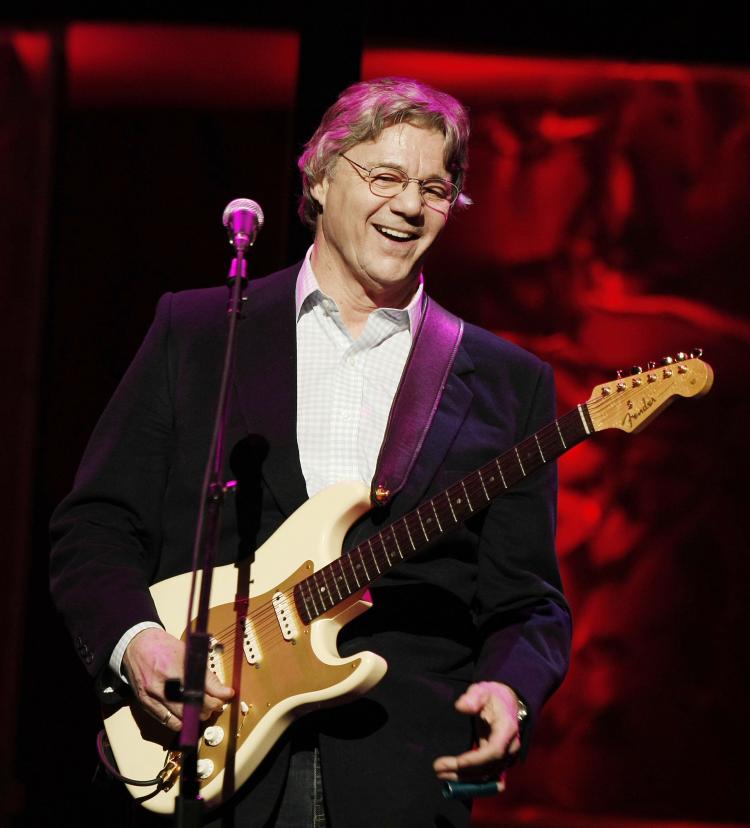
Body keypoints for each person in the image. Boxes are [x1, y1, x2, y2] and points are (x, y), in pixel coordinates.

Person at [50, 77, 571, 828]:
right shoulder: (200, 331)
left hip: (398, 775)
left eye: (434, 186)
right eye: (385, 176)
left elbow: (528, 600)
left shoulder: (506, 382)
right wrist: (137, 643)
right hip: (201, 755)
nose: (409, 205)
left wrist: (508, 690)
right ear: (319, 179)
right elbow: (95, 528)